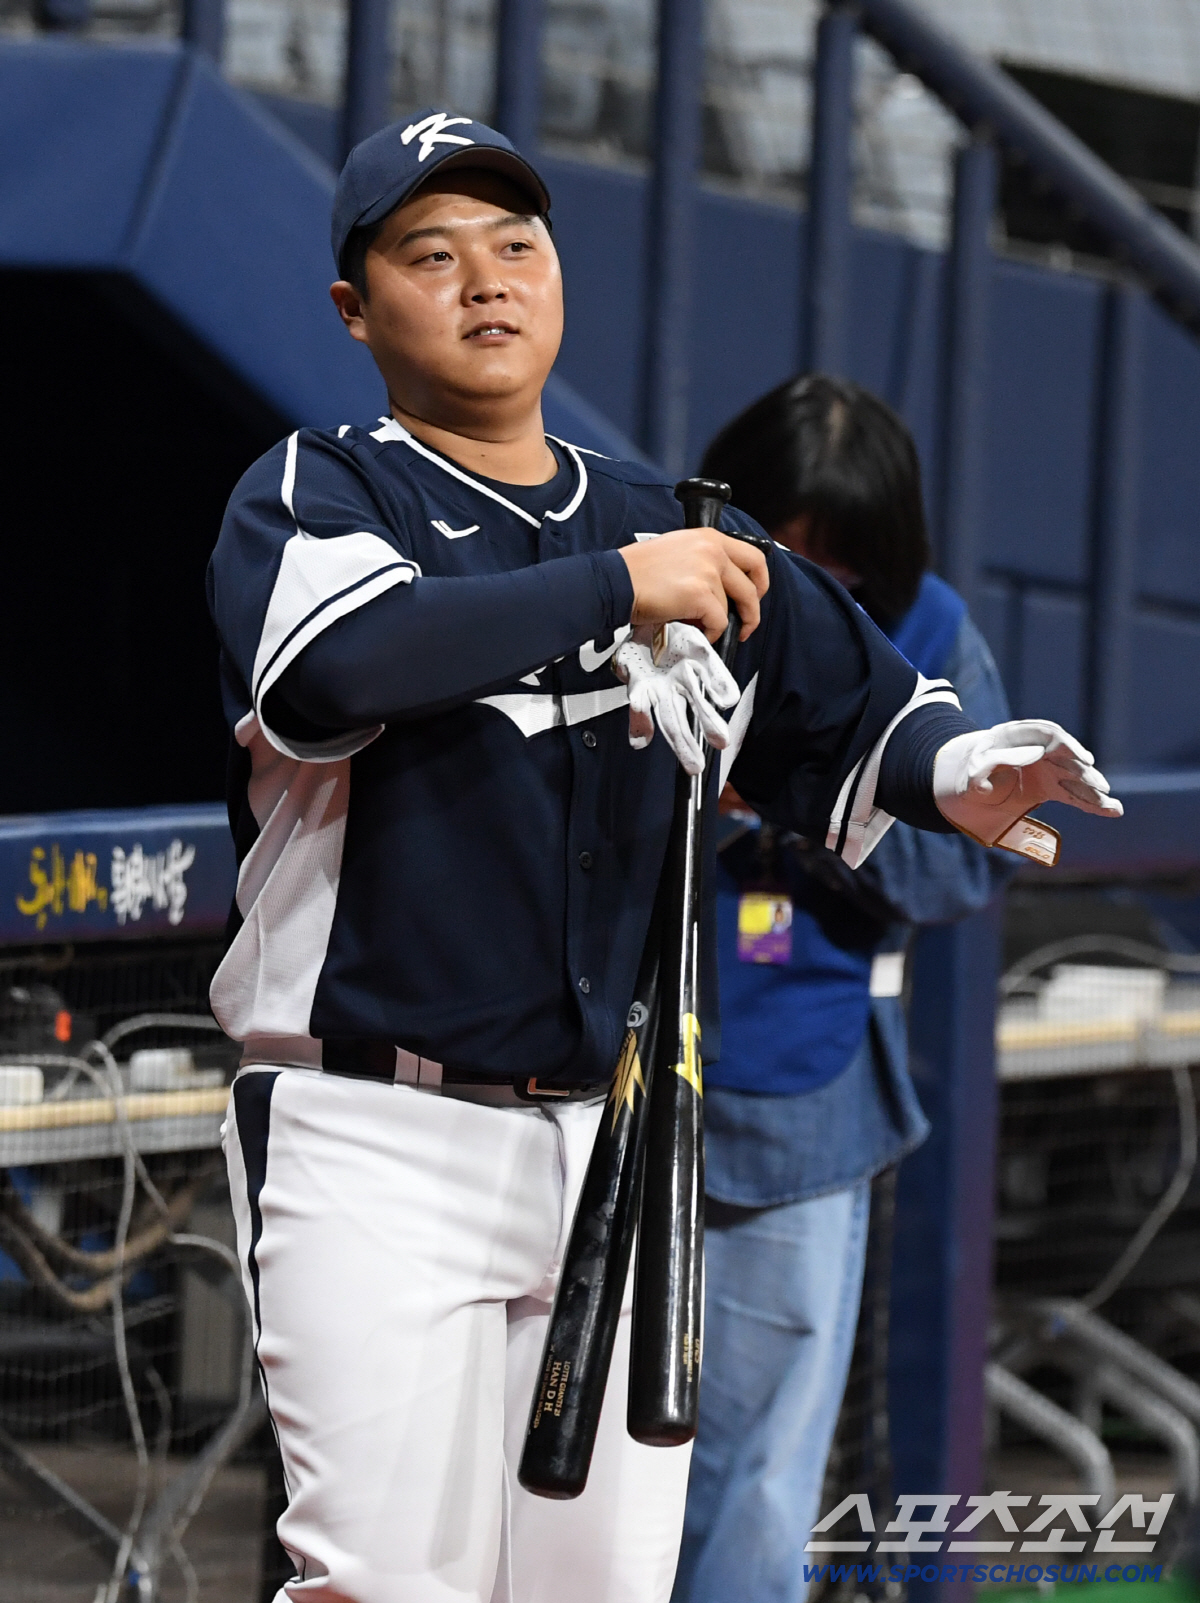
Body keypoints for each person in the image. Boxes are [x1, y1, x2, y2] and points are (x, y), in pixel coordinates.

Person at [205, 111, 1120, 1603]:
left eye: (516, 246)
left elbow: (852, 695)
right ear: (356, 309)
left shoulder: (663, 517)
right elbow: (339, 664)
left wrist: (957, 767)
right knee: (380, 1579)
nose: (486, 281)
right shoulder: (323, 489)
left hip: (614, 1143)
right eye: (432, 255)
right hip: (372, 1123)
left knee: (601, 1586)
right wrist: (622, 592)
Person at [672, 374, 1017, 1603]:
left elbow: (958, 864)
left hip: (796, 1089)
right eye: (781, 552)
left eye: (842, 567)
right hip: (590, 1078)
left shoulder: (929, 636)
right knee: (571, 1464)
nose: (811, 588)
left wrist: (798, 802)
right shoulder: (657, 585)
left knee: (754, 1472)